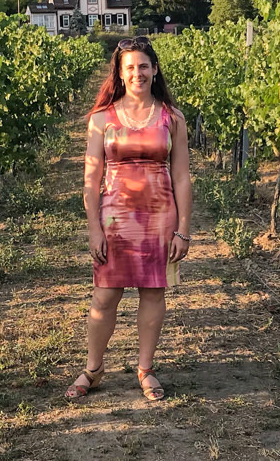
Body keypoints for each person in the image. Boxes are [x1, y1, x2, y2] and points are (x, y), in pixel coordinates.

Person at [65, 36, 192, 402]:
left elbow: (182, 176)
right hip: (115, 220)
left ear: (154, 70)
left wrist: (183, 229)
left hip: (159, 217)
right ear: (120, 74)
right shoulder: (101, 118)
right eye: (130, 67)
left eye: (144, 66)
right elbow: (90, 178)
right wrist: (93, 228)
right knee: (105, 296)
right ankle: (93, 368)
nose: (138, 73)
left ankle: (146, 368)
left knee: (154, 293)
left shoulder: (173, 118)